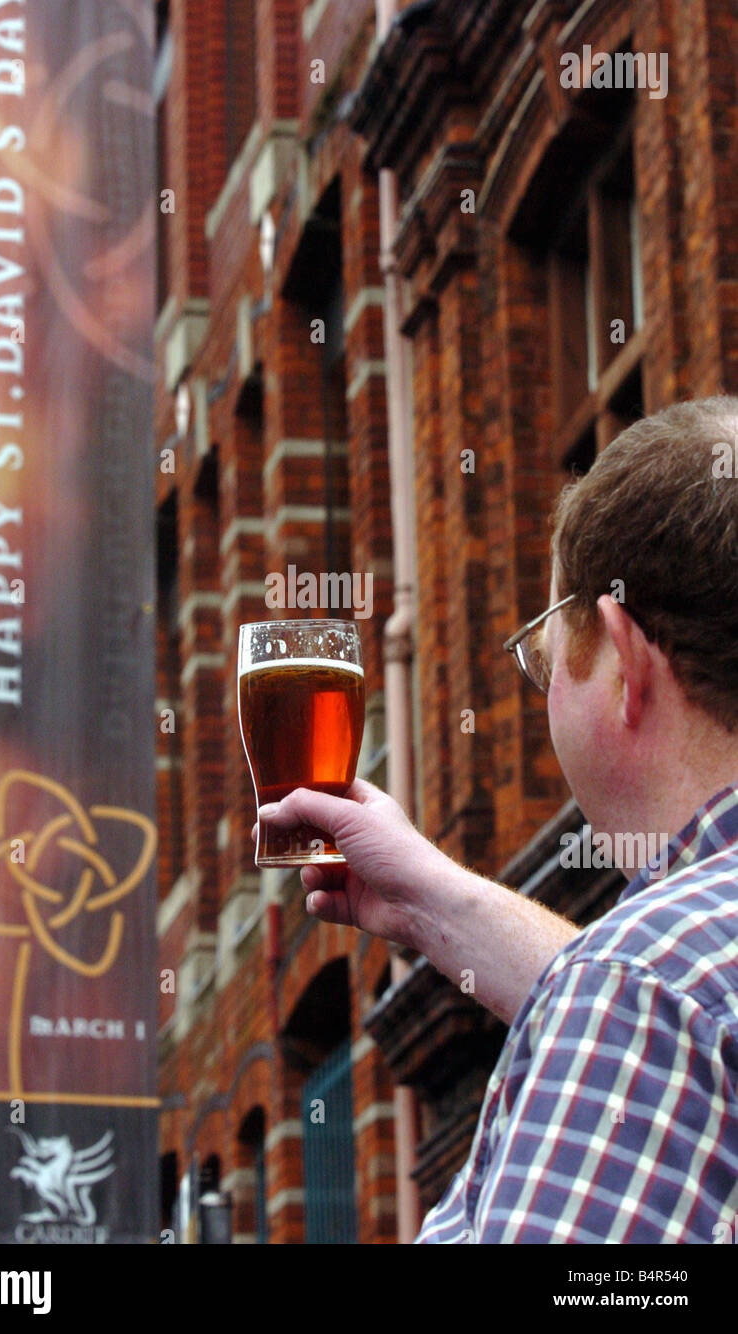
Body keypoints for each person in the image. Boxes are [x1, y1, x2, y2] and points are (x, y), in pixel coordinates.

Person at [254, 395, 738, 1243]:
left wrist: (608, 987)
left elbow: (652, 1000)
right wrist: (432, 899)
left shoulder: (638, 997)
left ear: (623, 661)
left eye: (548, 644)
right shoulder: (675, 980)